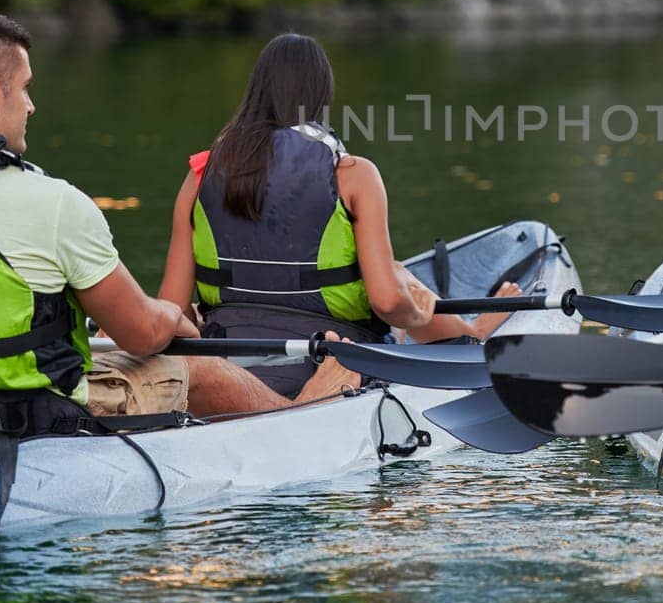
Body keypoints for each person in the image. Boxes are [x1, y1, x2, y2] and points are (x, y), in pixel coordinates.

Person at [0, 10, 356, 455]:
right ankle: (309, 410)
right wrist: (172, 317)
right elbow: (143, 334)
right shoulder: (50, 199)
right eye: (25, 89)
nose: (31, 106)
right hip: (31, 416)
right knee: (196, 368)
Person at [156, 33, 517, 398]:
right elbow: (388, 303)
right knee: (397, 281)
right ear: (321, 97)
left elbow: (172, 307)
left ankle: (463, 333)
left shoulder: (201, 175)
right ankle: (471, 339)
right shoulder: (353, 174)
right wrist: (418, 315)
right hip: (331, 359)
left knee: (396, 281)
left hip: (228, 364)